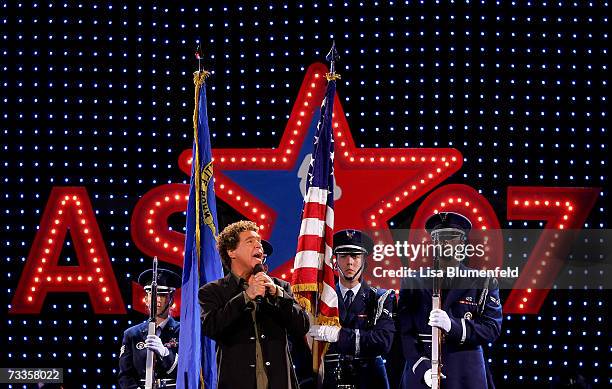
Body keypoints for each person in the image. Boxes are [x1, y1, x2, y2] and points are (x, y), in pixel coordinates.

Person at [199, 220, 310, 389]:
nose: (258, 245)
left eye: (259, 241)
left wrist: (277, 295)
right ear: (231, 251)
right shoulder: (212, 291)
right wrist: (246, 296)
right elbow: (211, 327)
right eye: (250, 241)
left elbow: (302, 326)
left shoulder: (280, 287)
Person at [398, 212, 503, 388]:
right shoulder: (412, 281)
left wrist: (453, 326)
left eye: (451, 237)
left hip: (464, 374)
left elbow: (492, 328)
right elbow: (405, 332)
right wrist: (423, 367)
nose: (445, 242)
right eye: (439, 237)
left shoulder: (483, 282)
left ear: (462, 242)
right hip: (422, 372)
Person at [308, 229, 396, 389]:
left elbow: (383, 342)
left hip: (370, 381)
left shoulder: (381, 298)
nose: (349, 262)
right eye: (343, 256)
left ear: (364, 261)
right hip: (330, 380)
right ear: (335, 261)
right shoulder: (321, 299)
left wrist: (338, 335)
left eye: (355, 256)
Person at [118, 267, 182, 389]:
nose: (156, 300)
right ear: (146, 299)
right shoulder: (132, 334)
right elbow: (125, 375)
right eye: (152, 294)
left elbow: (187, 370)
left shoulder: (183, 332)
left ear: (171, 300)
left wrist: (165, 353)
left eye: (162, 295)